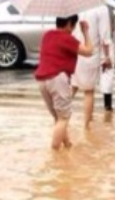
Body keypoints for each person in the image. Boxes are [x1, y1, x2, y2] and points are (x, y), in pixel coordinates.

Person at [35, 15, 92, 150]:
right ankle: (55, 153)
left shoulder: (47, 35)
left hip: (42, 80)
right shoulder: (67, 38)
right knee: (64, 118)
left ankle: (67, 145)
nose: (73, 29)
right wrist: (86, 32)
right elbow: (89, 51)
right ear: (68, 24)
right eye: (73, 25)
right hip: (58, 79)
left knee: (58, 117)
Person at [72, 4, 112, 129]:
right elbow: (105, 37)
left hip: (73, 51)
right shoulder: (101, 8)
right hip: (90, 53)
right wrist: (107, 56)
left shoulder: (75, 5)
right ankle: (86, 126)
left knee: (72, 86)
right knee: (88, 91)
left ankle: (60, 118)